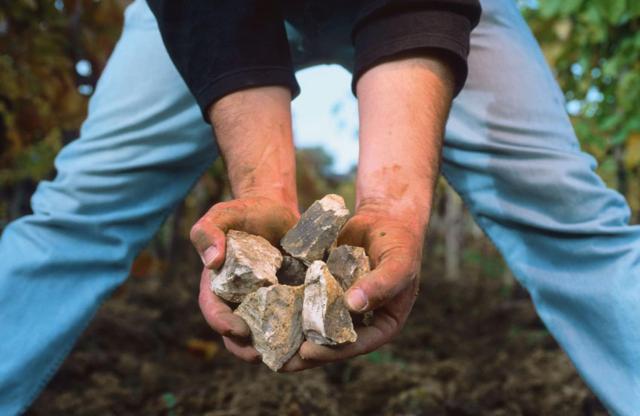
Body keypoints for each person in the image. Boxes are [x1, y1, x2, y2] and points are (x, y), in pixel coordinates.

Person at [1, 0, 638, 414]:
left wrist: (392, 201)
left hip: (433, 9)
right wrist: (263, 191)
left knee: (571, 221)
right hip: (199, 14)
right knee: (76, 218)